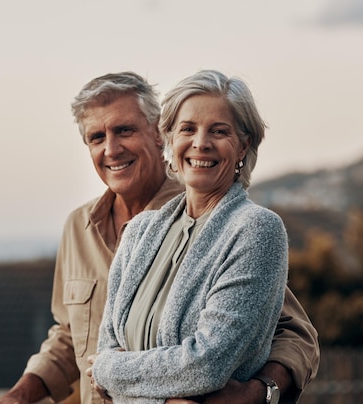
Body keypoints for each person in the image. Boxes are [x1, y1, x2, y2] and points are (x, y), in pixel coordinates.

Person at [0, 72, 319, 404]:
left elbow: (292, 333)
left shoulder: (236, 227)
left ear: (158, 134)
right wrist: (19, 396)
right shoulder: (81, 227)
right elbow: (72, 336)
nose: (112, 149)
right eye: (96, 138)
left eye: (124, 131)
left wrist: (258, 393)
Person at [87, 69, 290, 403]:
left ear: (242, 146)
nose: (201, 143)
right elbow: (106, 354)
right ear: (169, 140)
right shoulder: (139, 232)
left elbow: (206, 365)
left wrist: (115, 374)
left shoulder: (257, 231)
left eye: (219, 131)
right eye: (188, 129)